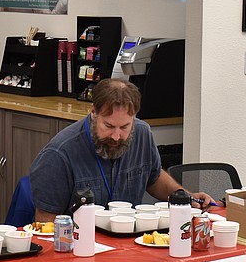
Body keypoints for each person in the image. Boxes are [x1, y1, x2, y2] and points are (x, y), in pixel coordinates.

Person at [29, 78, 215, 220]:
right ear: (93, 113)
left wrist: (184, 197)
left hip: (130, 244)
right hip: (79, 247)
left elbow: (154, 177)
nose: (116, 136)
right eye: (108, 126)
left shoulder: (142, 133)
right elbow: (46, 223)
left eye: (125, 127)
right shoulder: (59, 154)